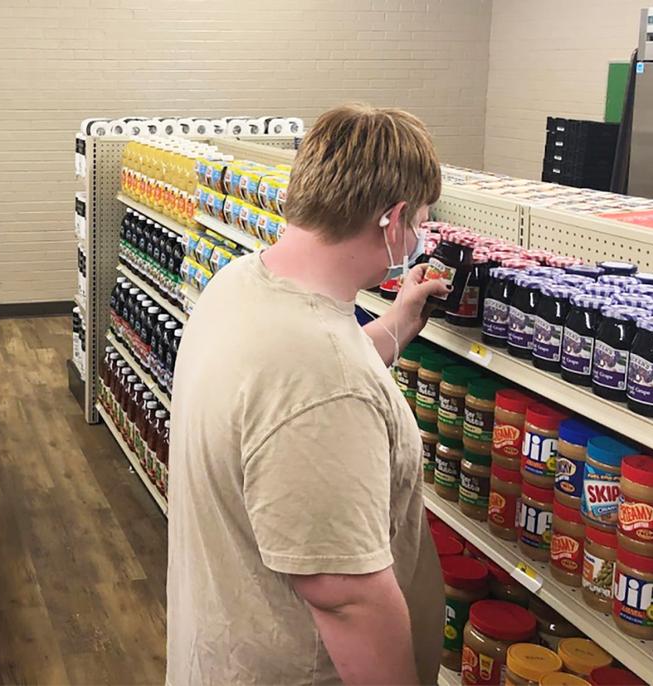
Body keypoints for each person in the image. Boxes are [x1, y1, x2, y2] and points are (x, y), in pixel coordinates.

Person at [166, 104, 450, 684]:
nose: (418, 237)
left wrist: (396, 324)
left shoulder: (242, 283)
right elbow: (346, 598)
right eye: (421, 222)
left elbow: (294, 396)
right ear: (393, 219)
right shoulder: (320, 377)